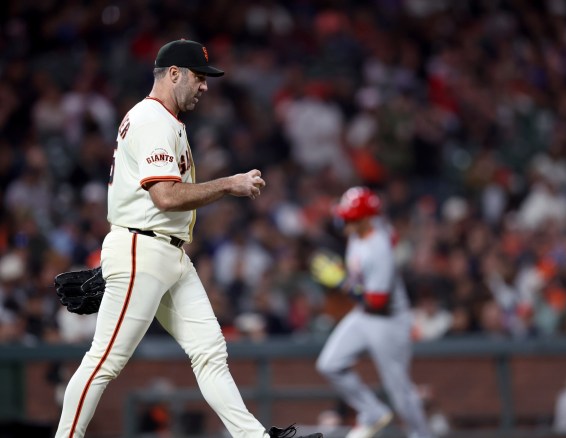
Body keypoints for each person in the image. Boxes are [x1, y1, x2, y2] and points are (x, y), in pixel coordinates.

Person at [54, 39, 322, 438]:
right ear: (174, 74)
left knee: (210, 352)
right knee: (104, 361)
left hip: (165, 253)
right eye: (198, 76)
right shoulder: (151, 119)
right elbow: (164, 197)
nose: (205, 86)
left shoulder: (165, 120)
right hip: (142, 248)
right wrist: (229, 184)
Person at [315, 187, 433, 438]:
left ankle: (422, 435)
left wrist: (341, 283)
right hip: (364, 315)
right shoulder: (367, 229)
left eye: (350, 217)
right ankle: (372, 411)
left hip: (389, 321)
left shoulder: (378, 249)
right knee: (330, 364)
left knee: (399, 390)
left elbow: (377, 301)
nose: (344, 221)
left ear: (365, 219)